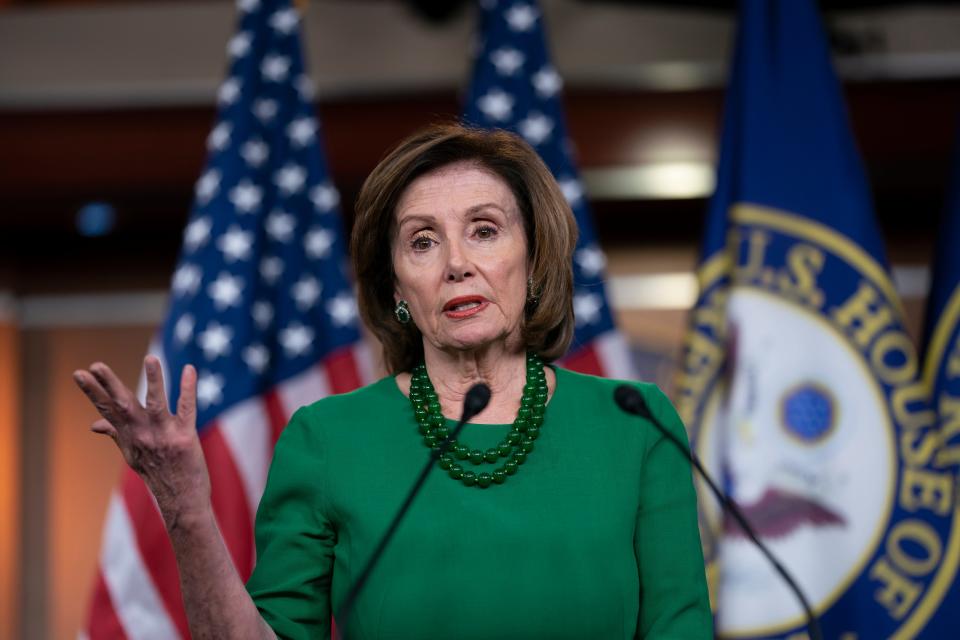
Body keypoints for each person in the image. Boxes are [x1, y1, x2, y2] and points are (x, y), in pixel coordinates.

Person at [73, 123, 712, 639]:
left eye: (484, 231)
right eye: (423, 242)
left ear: (536, 260)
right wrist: (185, 508)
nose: (457, 264)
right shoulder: (327, 439)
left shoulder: (636, 423)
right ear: (398, 287)